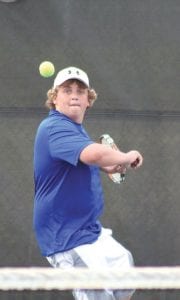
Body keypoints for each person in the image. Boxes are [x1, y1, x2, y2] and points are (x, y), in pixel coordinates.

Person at [33, 66, 143, 300]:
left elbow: (86, 160)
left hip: (89, 230)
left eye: (80, 91)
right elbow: (92, 154)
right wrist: (126, 156)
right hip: (64, 236)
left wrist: (108, 166)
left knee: (126, 274)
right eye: (66, 90)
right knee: (97, 294)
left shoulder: (75, 131)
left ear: (88, 100)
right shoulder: (54, 127)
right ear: (54, 98)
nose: (74, 94)